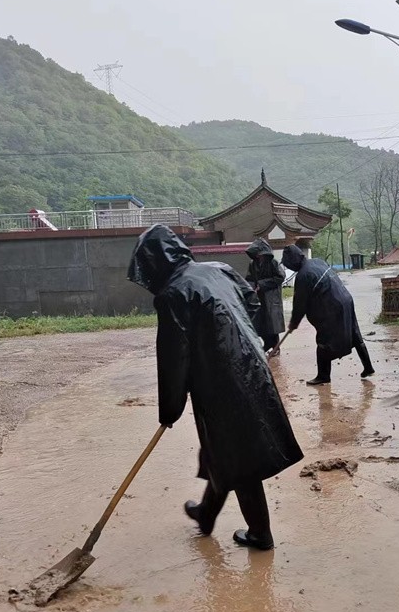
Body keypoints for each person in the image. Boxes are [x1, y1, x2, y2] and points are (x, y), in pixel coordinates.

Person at [128, 225, 303, 550]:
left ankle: (260, 533)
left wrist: (170, 409)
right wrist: (238, 340)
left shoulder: (173, 295)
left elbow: (174, 358)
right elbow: (251, 304)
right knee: (220, 449)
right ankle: (207, 513)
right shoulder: (219, 269)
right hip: (252, 368)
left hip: (220, 384)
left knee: (240, 457)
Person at [281, 244, 374, 386]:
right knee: (354, 333)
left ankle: (323, 376)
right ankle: (368, 367)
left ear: (292, 261)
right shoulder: (318, 261)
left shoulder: (303, 276)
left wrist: (294, 323)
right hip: (346, 300)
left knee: (323, 340)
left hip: (331, 306)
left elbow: (300, 304)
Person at [245, 238, 285, 352]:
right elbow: (249, 278)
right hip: (259, 297)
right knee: (261, 323)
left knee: (272, 324)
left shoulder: (273, 262)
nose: (258, 256)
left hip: (271, 297)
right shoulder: (253, 263)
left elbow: (280, 277)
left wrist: (262, 284)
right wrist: (251, 288)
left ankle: (275, 347)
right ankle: (267, 344)